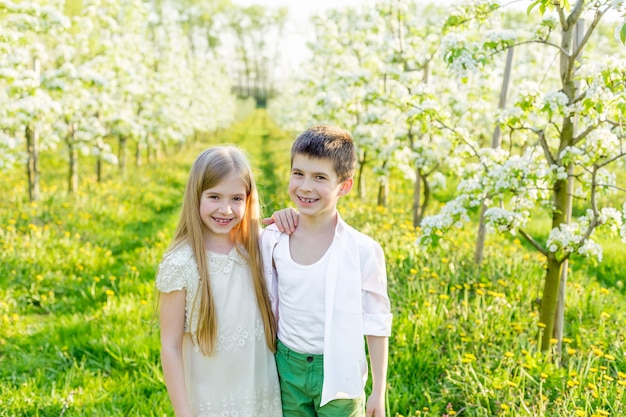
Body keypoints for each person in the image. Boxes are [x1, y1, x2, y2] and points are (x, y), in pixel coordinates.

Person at [261, 126, 393, 417]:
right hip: (286, 366)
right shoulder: (274, 239)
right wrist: (275, 217)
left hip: (339, 372)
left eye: (320, 177)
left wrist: (378, 391)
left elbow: (376, 321)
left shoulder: (362, 250)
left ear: (344, 186)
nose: (305, 187)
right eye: (298, 173)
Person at [156, 146, 283, 417]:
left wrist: (289, 219)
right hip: (211, 397)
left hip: (259, 391)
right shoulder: (181, 264)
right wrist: (183, 411)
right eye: (214, 196)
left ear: (248, 199)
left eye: (236, 198)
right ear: (195, 196)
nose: (226, 209)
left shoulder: (258, 247)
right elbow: (170, 344)